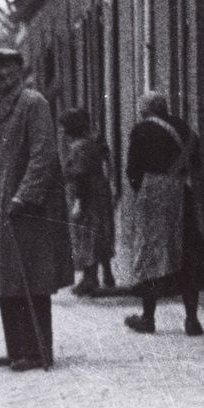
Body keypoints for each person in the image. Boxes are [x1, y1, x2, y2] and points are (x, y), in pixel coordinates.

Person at [0, 47, 73, 372]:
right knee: (5, 277)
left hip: (26, 205)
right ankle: (15, 348)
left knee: (31, 277)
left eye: (4, 67)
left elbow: (43, 155)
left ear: (19, 69)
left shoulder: (33, 103)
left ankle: (37, 350)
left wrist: (25, 195)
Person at [124, 92, 204, 336]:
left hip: (154, 199)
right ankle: (192, 320)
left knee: (150, 254)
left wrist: (147, 190)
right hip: (184, 197)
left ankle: (148, 318)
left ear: (145, 110)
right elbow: (197, 164)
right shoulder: (185, 129)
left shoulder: (141, 130)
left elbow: (132, 170)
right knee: (189, 255)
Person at [60, 109, 117, 295]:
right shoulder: (93, 141)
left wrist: (79, 201)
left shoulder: (79, 147)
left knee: (86, 235)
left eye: (65, 127)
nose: (62, 131)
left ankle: (90, 279)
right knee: (100, 233)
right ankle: (106, 274)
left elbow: (80, 176)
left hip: (87, 195)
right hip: (100, 191)